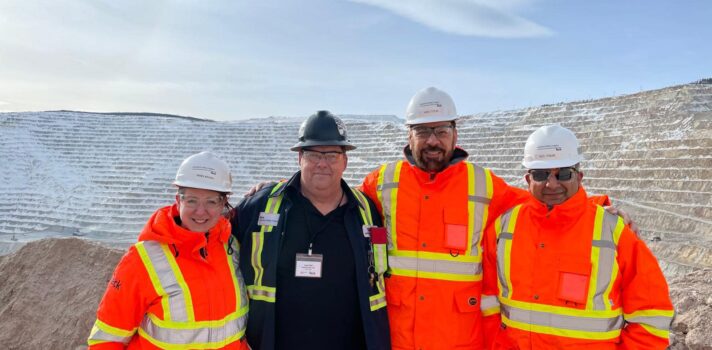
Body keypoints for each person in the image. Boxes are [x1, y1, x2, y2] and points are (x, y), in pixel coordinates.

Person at [359, 87, 622, 349]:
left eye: (441, 131)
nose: (432, 141)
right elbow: (344, 205)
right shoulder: (383, 181)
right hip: (399, 338)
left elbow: (540, 201)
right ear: (410, 134)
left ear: (455, 134)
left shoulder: (482, 186)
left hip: (460, 340)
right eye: (423, 131)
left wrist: (596, 206)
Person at [482, 125, 674, 348]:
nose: (551, 183)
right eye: (541, 174)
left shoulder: (614, 232)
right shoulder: (504, 227)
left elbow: (651, 316)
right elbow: (487, 302)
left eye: (563, 173)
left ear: (579, 176)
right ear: (527, 179)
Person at [233, 111, 390, 350]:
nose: (322, 163)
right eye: (314, 154)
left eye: (332, 154)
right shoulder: (261, 205)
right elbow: (213, 239)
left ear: (345, 161)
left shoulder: (366, 210)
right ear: (300, 158)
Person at [87, 152, 249, 349]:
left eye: (211, 201)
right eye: (191, 200)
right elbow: (106, 339)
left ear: (224, 203)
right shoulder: (143, 259)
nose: (200, 211)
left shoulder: (231, 247)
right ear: (178, 200)